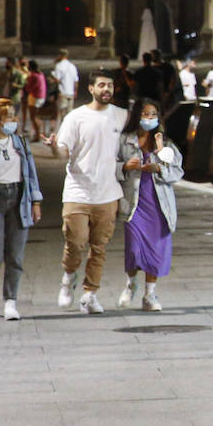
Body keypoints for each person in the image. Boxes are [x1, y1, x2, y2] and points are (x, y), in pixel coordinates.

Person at [50, 71, 129, 314]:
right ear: (91, 89)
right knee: (75, 243)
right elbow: (63, 152)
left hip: (107, 194)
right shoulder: (76, 117)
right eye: (102, 85)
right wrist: (54, 147)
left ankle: (90, 294)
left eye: (111, 85)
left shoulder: (122, 116)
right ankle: (68, 277)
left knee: (99, 247)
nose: (107, 89)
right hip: (77, 193)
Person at [115, 98, 185, 311]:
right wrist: (125, 166)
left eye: (153, 114)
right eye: (145, 114)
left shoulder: (166, 144)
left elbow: (177, 171)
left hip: (159, 205)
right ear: (137, 115)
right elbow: (112, 165)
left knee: (156, 250)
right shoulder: (125, 140)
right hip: (134, 203)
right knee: (135, 249)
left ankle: (150, 295)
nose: (149, 118)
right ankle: (131, 283)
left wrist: (159, 169)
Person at [0, 99, 42, 320]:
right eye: (9, 116)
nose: (14, 120)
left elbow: (31, 173)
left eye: (14, 115)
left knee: (15, 256)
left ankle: (11, 302)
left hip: (19, 199)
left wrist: (36, 202)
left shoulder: (20, 143)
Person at [24, 60, 48, 141]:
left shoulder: (33, 76)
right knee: (37, 117)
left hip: (35, 97)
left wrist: (26, 80)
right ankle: (38, 133)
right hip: (41, 97)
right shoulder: (40, 74)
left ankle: (37, 135)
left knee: (33, 117)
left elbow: (29, 88)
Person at [53, 50, 79, 120]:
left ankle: (63, 129)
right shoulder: (72, 66)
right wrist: (75, 91)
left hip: (62, 92)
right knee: (70, 114)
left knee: (62, 114)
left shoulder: (58, 66)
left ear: (60, 56)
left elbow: (57, 79)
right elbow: (76, 80)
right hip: (71, 93)